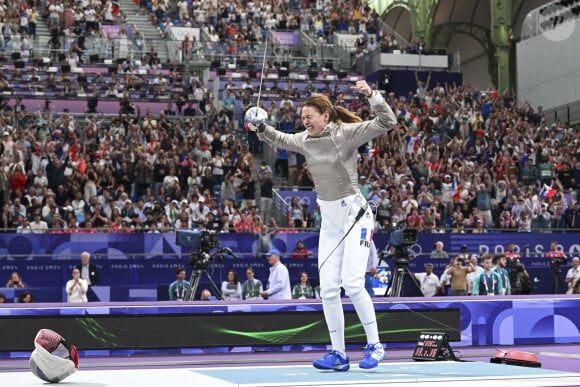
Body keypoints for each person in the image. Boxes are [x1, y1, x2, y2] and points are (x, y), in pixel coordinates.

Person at [248, 80, 396, 370]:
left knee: (353, 284)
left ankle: (375, 346)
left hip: (356, 216)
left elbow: (387, 121)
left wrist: (372, 95)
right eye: (303, 119)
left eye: (309, 118)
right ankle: (339, 354)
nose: (305, 122)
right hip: (330, 220)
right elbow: (280, 139)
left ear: (325, 116)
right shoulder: (304, 140)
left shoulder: (346, 134)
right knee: (328, 289)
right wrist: (260, 127)